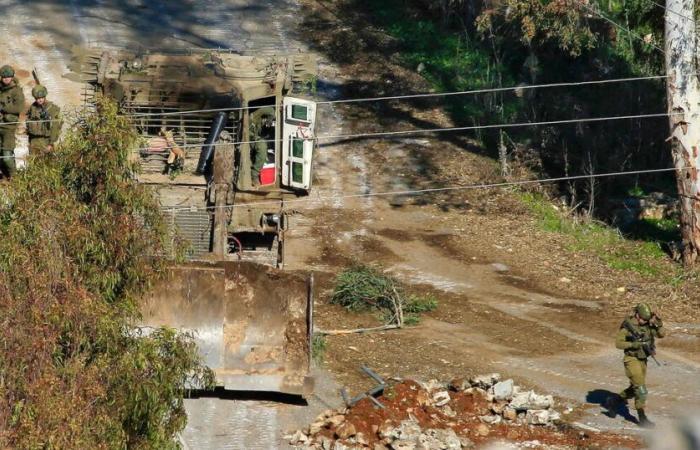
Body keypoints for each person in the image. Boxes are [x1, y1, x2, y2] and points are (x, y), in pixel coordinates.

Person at [613, 302, 665, 428]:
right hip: (631, 359)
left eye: (646, 319)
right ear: (637, 315)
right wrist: (632, 345)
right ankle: (642, 418)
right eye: (642, 318)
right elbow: (618, 344)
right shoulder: (628, 326)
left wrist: (659, 322)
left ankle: (615, 400)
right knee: (641, 390)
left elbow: (661, 334)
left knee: (634, 388)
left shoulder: (648, 325)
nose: (643, 321)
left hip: (643, 360)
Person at [0, 65, 25, 177]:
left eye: (8, 76)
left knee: (6, 155)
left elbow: (19, 108)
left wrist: (2, 108)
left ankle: (14, 178)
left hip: (8, 127)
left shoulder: (16, 91)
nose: (6, 78)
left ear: (12, 77)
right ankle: (5, 176)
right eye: (4, 76)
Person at [26, 85, 62, 154]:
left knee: (47, 162)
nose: (40, 100)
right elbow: (29, 123)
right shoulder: (32, 107)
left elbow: (55, 127)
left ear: (45, 96)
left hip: (46, 141)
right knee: (34, 162)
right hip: (34, 141)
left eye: (42, 97)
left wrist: (51, 143)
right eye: (37, 98)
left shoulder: (52, 108)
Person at [250, 107, 274, 186]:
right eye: (264, 119)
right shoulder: (255, 115)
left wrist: (269, 120)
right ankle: (254, 174)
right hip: (249, 139)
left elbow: (272, 111)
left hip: (255, 139)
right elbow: (270, 110)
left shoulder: (260, 119)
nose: (264, 122)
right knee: (262, 146)